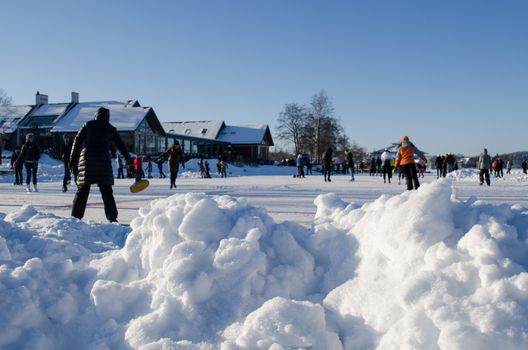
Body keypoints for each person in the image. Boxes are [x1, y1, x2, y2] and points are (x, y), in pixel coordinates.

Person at [69, 107, 132, 223]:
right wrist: (129, 161)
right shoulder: (110, 128)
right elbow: (121, 146)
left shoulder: (88, 125)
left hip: (87, 160)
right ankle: (112, 218)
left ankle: (75, 218)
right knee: (106, 191)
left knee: (82, 190)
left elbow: (77, 142)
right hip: (103, 160)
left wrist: (72, 160)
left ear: (96, 115)